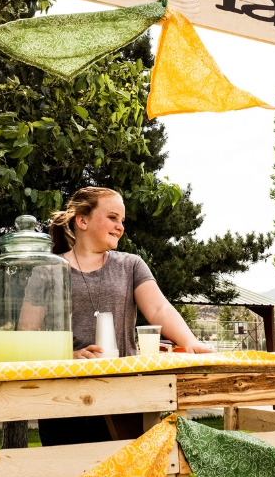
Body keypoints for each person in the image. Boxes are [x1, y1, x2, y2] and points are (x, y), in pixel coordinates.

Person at [37, 186, 212, 447]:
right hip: (62, 398)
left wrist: (190, 341)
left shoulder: (131, 265)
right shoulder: (47, 270)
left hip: (122, 395)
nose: (120, 226)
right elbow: (28, 330)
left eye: (122, 220)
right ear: (82, 220)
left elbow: (159, 309)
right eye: (112, 217)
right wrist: (68, 356)